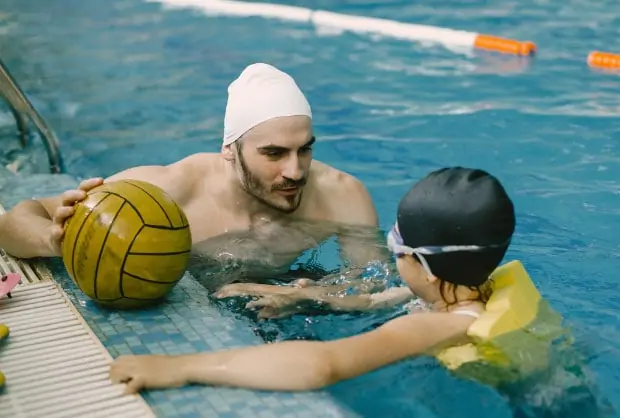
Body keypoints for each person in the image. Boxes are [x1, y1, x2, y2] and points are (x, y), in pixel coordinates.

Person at [109, 166, 517, 393]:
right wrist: (294, 296)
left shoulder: (437, 324)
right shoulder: (478, 287)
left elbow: (322, 365)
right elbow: (379, 299)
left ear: (418, 261)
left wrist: (181, 367)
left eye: (395, 244)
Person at [0, 63, 387, 288]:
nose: (295, 170)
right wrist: (56, 241)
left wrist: (311, 298)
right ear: (229, 150)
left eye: (305, 149)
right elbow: (16, 219)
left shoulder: (342, 194)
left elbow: (373, 284)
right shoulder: (167, 191)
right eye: (274, 154)